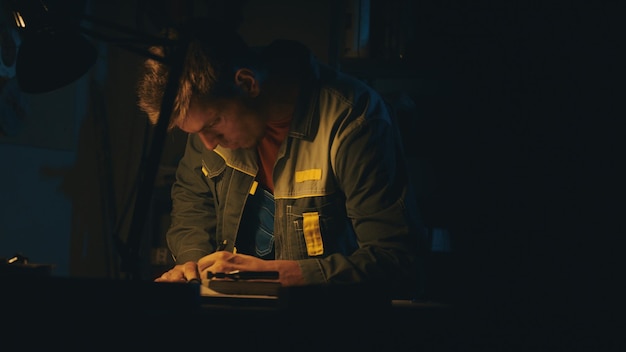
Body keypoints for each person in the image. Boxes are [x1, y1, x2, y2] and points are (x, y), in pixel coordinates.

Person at [137, 19, 424, 298]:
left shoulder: (351, 120)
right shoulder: (208, 116)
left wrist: (276, 275)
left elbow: (395, 260)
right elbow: (192, 204)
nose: (208, 145)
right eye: (196, 132)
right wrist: (193, 267)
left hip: (331, 323)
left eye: (212, 125)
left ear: (248, 83)